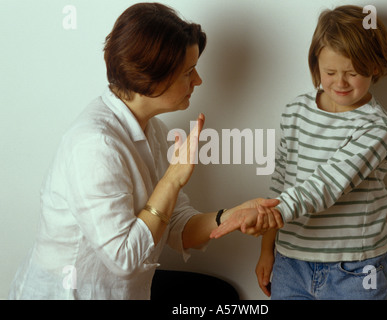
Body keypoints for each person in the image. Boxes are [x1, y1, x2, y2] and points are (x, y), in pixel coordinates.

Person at [9, 3, 282, 300]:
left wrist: (230, 216)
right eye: (188, 72)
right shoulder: (95, 146)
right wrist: (171, 181)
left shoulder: (154, 131)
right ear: (152, 78)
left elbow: (175, 225)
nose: (198, 80)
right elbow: (125, 259)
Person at [254, 5, 387, 300]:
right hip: (290, 262)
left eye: (353, 72)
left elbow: (326, 186)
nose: (340, 82)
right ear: (315, 64)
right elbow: (279, 183)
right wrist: (266, 249)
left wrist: (257, 216)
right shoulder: (295, 111)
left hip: (355, 270)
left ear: (374, 66)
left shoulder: (377, 128)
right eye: (330, 72)